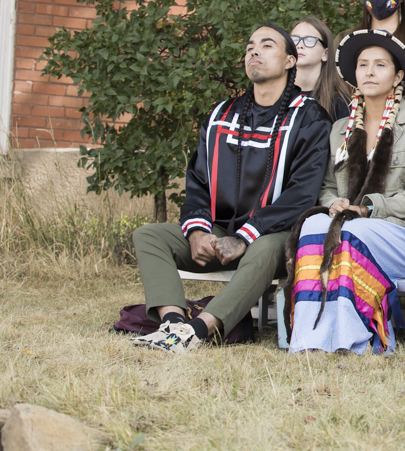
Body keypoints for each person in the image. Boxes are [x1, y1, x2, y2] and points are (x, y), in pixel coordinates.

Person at [130, 25, 332, 353]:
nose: (254, 51)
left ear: (290, 61)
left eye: (267, 46)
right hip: (222, 231)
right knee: (149, 235)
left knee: (264, 248)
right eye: (250, 46)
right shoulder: (222, 114)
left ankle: (199, 329)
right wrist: (196, 232)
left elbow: (302, 196)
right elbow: (197, 180)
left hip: (276, 235)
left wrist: (244, 237)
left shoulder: (309, 119)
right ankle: (173, 324)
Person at [284, 30, 405, 354]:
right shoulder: (340, 129)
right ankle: (309, 339)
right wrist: (333, 203)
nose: (369, 71)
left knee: (352, 233)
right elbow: (326, 187)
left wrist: (368, 208)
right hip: (349, 224)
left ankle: (353, 338)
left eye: (380, 65)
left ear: (398, 76)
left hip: (402, 236)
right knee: (313, 227)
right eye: (363, 64)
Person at [291, 16, 352, 122]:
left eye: (309, 40)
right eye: (295, 39)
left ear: (325, 54)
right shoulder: (276, 97)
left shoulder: (339, 103)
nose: (300, 45)